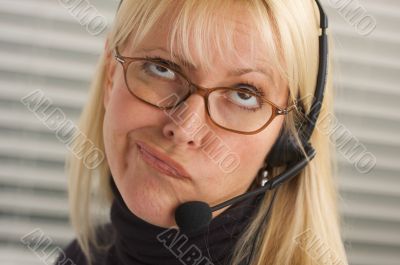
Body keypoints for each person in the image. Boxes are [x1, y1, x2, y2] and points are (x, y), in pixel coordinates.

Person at [56, 0, 348, 265]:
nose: (184, 129)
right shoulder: (80, 257)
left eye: (243, 95)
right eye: (162, 68)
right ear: (111, 75)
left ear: (285, 142)